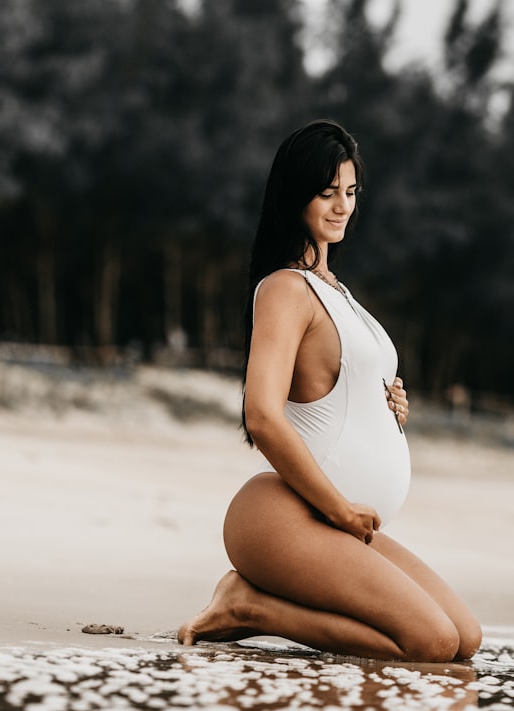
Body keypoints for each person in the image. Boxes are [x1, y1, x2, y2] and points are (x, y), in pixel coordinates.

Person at [178, 120, 482, 662]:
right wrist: (340, 510)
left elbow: (335, 391)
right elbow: (263, 415)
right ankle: (251, 606)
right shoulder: (283, 289)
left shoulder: (335, 290)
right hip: (290, 518)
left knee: (466, 640)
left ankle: (257, 603)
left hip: (335, 525)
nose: (342, 206)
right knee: (431, 644)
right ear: (295, 195)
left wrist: (389, 412)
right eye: (326, 193)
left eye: (350, 192)